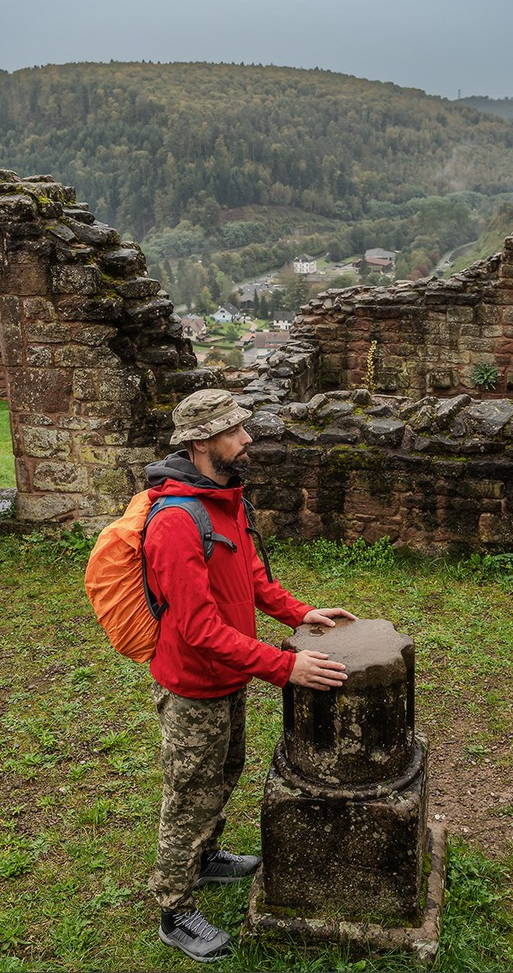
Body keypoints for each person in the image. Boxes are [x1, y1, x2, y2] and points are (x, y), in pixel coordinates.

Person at [143, 387, 355, 963]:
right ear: (201, 442)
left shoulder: (225, 498)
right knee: (189, 796)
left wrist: (299, 613)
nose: (247, 439)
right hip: (193, 686)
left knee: (225, 771)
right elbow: (197, 630)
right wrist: (285, 667)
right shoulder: (175, 521)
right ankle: (175, 909)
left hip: (229, 674)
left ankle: (206, 858)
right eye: (234, 431)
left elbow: (252, 578)